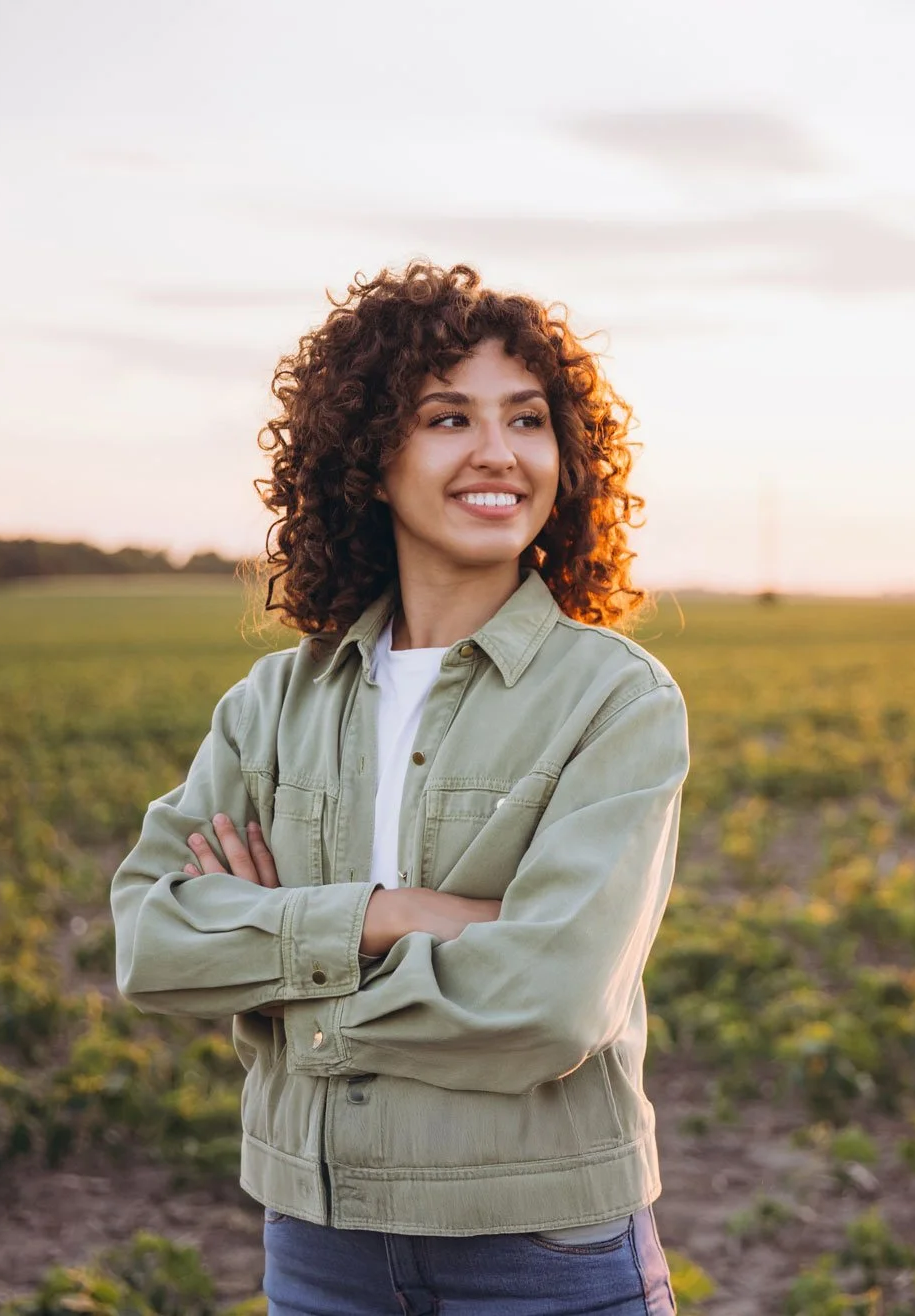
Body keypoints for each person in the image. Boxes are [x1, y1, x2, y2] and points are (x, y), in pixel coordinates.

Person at [110, 260, 688, 1315]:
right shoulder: (274, 700)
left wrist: (285, 974)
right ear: (369, 459)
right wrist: (395, 916)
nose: (497, 453)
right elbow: (151, 941)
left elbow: (549, 1000)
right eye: (447, 417)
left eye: (527, 419)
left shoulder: (617, 698)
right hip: (318, 1245)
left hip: (540, 1250)